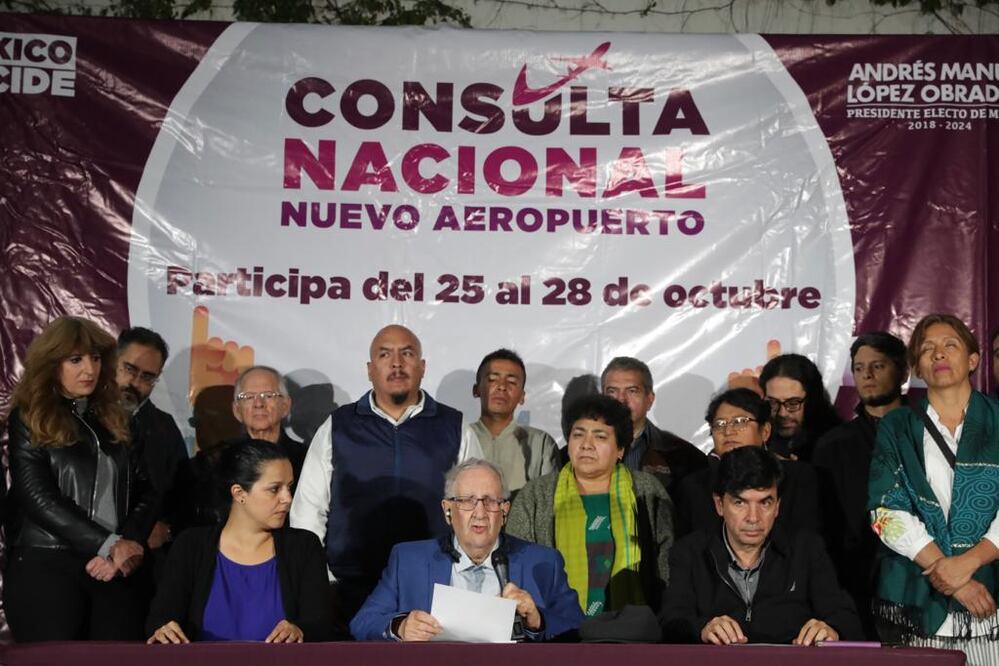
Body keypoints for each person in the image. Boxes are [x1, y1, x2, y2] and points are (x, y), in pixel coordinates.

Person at [290, 324, 476, 622]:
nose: (397, 363)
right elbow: (308, 511)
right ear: (369, 369)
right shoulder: (339, 426)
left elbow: (477, 508)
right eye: (384, 354)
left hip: (435, 585)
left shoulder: (455, 426)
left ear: (423, 366)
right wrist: (323, 581)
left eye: (407, 353)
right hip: (349, 585)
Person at [3, 316, 158, 641]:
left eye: (96, 358)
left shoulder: (118, 418)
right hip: (47, 564)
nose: (89, 369)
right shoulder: (30, 416)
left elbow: (146, 491)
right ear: (52, 363)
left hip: (114, 568)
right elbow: (37, 497)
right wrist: (109, 543)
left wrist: (126, 546)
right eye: (76, 359)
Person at [869, 314, 999, 665]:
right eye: (927, 349)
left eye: (950, 346)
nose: (938, 354)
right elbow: (884, 512)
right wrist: (950, 574)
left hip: (991, 603)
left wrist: (970, 562)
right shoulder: (896, 427)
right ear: (918, 369)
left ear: (973, 360)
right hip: (916, 600)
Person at [350, 459, 584, 641]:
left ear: (504, 511)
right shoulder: (408, 560)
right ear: (448, 510)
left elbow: (578, 627)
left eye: (491, 501)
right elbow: (363, 622)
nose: (480, 512)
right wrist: (400, 627)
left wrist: (537, 619)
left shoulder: (542, 562)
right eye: (467, 501)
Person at [661, 446, 862, 645]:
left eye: (765, 503)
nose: (753, 518)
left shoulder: (806, 549)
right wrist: (702, 629)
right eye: (740, 503)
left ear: (777, 506)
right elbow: (671, 622)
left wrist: (832, 629)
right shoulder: (690, 552)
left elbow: (846, 618)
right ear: (720, 505)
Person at [146, 440, 333, 643]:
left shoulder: (303, 547)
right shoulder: (191, 546)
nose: (287, 498)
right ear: (239, 493)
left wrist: (300, 630)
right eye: (274, 489)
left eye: (289, 487)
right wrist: (163, 630)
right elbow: (160, 618)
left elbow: (320, 624)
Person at [506, 394, 673, 617]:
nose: (586, 445)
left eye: (600, 437)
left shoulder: (646, 490)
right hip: (552, 632)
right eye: (578, 435)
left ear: (620, 449)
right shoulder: (537, 494)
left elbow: (667, 562)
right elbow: (518, 565)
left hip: (634, 632)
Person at [813, 331, 907, 639]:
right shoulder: (833, 445)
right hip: (855, 582)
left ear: (902, 371)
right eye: (858, 367)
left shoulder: (927, 434)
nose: (866, 375)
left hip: (921, 574)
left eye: (877, 366)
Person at [672, 388, 820, 538]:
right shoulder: (693, 487)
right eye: (720, 424)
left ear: (765, 431)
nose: (728, 431)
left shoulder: (798, 477)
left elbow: (808, 540)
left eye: (740, 422)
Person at [116, 327, 188, 554]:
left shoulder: (164, 429)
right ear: (113, 362)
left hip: (139, 559)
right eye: (130, 369)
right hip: (80, 552)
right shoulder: (81, 416)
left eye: (147, 376)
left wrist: (167, 528)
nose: (134, 382)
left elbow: (183, 494)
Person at [601, 357, 706, 493]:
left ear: (649, 400)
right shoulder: (573, 454)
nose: (621, 399)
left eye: (632, 391)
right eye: (612, 391)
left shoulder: (686, 457)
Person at [461, 349, 560, 495]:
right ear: (476, 390)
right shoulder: (459, 438)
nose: (502, 387)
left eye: (512, 382)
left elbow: (547, 505)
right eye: (493, 379)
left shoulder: (541, 443)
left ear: (522, 396)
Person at [230, 366, 308, 482]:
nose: (259, 404)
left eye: (268, 395)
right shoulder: (221, 460)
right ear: (237, 410)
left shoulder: (307, 460)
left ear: (285, 406)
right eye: (249, 397)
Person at [759, 353, 841, 461]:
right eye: (773, 402)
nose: (782, 413)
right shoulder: (758, 440)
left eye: (793, 403)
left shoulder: (838, 444)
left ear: (812, 400)